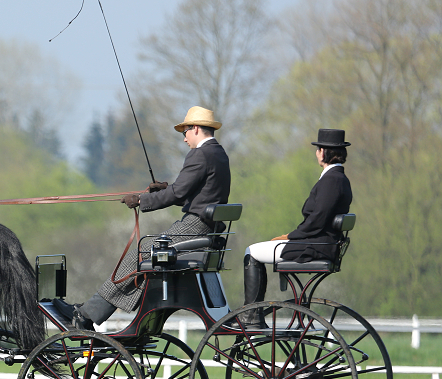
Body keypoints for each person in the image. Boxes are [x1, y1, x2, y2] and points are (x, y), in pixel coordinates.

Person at [58, 106, 231, 329]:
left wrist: (141, 200)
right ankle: (90, 311)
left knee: (140, 254)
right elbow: (197, 194)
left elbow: (178, 193)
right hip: (206, 228)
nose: (184, 138)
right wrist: (163, 189)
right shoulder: (219, 154)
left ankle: (85, 316)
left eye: (185, 132)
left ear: (195, 128)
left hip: (194, 227)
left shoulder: (199, 154)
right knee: (144, 254)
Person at [238, 128, 353, 327]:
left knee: (252, 252)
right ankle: (252, 315)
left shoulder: (332, 180)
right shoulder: (339, 179)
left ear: (323, 152)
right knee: (260, 248)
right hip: (320, 242)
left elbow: (318, 219)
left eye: (318, 149)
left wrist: (290, 237)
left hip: (316, 245)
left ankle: (250, 317)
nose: (316, 153)